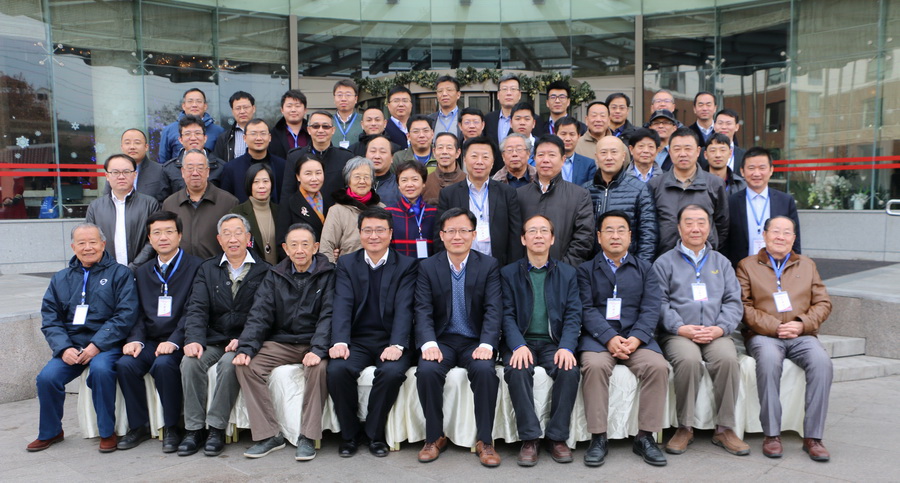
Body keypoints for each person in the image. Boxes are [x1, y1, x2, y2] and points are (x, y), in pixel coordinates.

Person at [28, 223, 138, 453]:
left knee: (101, 371)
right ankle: (51, 432)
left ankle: (107, 432)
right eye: (82, 243)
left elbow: (125, 314)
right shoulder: (61, 278)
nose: (88, 248)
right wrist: (63, 348)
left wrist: (97, 344)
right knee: (47, 378)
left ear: (103, 244)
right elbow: (51, 318)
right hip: (72, 344)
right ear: (73, 247)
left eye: (93, 242)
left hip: (106, 344)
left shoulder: (120, 273)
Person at [233, 223, 335, 461]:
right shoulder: (275, 274)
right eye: (294, 245)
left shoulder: (329, 274)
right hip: (283, 342)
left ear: (315, 247)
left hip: (314, 342)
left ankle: (308, 436)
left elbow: (329, 315)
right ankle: (270, 434)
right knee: (246, 365)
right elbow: (260, 313)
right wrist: (246, 347)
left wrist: (319, 349)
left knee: (318, 369)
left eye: (305, 244)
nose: (299, 250)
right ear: (285, 249)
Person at [653, 205, 748, 456]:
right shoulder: (664, 262)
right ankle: (684, 427)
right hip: (679, 333)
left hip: (715, 331)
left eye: (701, 222)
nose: (695, 228)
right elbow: (659, 302)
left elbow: (733, 301)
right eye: (689, 223)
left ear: (709, 227)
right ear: (679, 228)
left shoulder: (721, 262)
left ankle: (724, 428)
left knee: (728, 359)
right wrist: (680, 327)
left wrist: (720, 328)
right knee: (689, 360)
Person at [736, 216, 833, 462]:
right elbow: (743, 306)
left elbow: (823, 303)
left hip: (801, 334)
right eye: (776, 231)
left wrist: (801, 324)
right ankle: (772, 434)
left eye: (787, 232)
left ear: (794, 238)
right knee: (769, 360)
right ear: (765, 235)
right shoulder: (747, 266)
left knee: (822, 363)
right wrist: (776, 327)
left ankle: (813, 437)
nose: (781, 237)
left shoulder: (807, 265)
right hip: (763, 335)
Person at [577, 211, 669, 467]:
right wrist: (609, 338)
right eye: (609, 230)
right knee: (594, 366)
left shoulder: (645, 269)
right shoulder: (585, 270)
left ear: (630, 236)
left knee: (658, 366)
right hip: (598, 339)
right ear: (599, 237)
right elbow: (585, 308)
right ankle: (598, 437)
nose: (615, 236)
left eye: (621, 230)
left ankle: (645, 437)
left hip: (636, 338)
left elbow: (651, 308)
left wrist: (637, 338)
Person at [414, 208, 502, 467]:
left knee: (485, 371)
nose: (457, 236)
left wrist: (487, 343)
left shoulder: (488, 265)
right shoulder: (428, 267)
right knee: (427, 370)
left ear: (473, 235)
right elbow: (422, 309)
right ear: (441, 235)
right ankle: (434, 437)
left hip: (475, 340)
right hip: (442, 339)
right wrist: (429, 343)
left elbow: (493, 309)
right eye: (451, 231)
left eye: (464, 230)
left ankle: (485, 441)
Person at [327, 207, 418, 457]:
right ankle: (349, 435)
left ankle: (374, 435)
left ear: (390, 234)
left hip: (390, 339)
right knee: (337, 370)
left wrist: (397, 344)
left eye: (380, 230)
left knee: (391, 373)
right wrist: (340, 341)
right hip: (357, 340)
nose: (374, 236)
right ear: (359, 233)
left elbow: (405, 308)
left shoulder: (407, 265)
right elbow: (342, 304)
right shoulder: (347, 263)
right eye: (367, 230)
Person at [178, 213, 271, 457]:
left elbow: (264, 314)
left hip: (243, 341)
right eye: (226, 234)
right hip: (213, 338)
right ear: (219, 240)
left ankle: (216, 428)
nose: (233, 239)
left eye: (238, 233)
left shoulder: (265, 271)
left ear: (248, 237)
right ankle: (193, 429)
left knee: (231, 365)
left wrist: (245, 341)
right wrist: (194, 340)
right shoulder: (207, 268)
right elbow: (197, 308)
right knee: (190, 362)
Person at [116, 211, 203, 453]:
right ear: (149, 238)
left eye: (169, 232)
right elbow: (136, 312)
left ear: (180, 235)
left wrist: (174, 341)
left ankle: (173, 427)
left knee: (164, 365)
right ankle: (139, 426)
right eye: (156, 233)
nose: (163, 237)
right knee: (125, 364)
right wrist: (135, 340)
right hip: (151, 340)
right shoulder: (142, 271)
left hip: (182, 340)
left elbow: (194, 311)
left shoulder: (197, 267)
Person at [501, 215, 582, 467]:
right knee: (517, 370)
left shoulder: (567, 273)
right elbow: (506, 315)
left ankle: (557, 437)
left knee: (569, 370)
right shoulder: (508, 273)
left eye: (544, 231)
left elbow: (573, 315)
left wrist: (566, 346)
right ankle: (530, 438)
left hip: (552, 343)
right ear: (523, 239)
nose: (538, 235)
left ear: (552, 238)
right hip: (521, 342)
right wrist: (518, 345)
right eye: (532, 231)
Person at [438, 136, 523, 266]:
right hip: (460, 266)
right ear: (465, 160)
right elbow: (440, 236)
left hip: (498, 265)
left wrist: (511, 269)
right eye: (474, 156)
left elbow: (515, 235)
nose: (479, 162)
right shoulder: (449, 194)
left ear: (493, 162)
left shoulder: (507, 193)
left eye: (485, 157)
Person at [647, 128, 729, 257]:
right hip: (666, 258)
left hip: (704, 258)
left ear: (698, 151)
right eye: (677, 149)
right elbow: (649, 225)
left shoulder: (715, 183)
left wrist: (713, 245)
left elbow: (722, 224)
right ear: (670, 152)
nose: (682, 154)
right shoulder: (655, 185)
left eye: (688, 149)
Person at [517, 135, 594, 266]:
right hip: (524, 271)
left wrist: (563, 269)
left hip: (564, 271)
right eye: (541, 155)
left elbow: (584, 238)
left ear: (563, 159)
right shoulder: (519, 194)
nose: (545, 160)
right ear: (534, 159)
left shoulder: (579, 195)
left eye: (552, 155)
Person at [582, 136, 658, 261]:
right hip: (593, 266)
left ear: (623, 156)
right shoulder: (585, 190)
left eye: (614, 152)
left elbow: (648, 235)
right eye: (603, 153)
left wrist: (640, 267)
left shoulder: (639, 189)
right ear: (596, 157)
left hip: (629, 264)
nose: (609, 157)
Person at [725, 147, 801, 266]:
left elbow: (795, 240)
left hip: (778, 268)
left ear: (771, 170)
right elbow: (725, 242)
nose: (756, 173)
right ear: (742, 171)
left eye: (762, 168)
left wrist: (793, 267)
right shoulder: (731, 202)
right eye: (751, 168)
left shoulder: (785, 201)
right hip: (741, 269)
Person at [85, 154, 160, 269]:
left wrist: (134, 267)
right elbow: (91, 240)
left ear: (135, 174)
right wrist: (108, 269)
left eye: (126, 172)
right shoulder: (95, 207)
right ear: (107, 176)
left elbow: (154, 239)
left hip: (142, 271)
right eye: (115, 172)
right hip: (105, 271)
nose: (121, 176)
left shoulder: (150, 204)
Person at [162, 149, 239, 259]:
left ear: (208, 172)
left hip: (216, 267)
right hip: (181, 267)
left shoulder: (228, 202)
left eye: (200, 168)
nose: (195, 173)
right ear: (182, 172)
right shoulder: (170, 204)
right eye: (190, 168)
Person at [281, 110, 354, 208]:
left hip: (336, 214)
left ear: (333, 130)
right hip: (303, 214)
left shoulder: (346, 157)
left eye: (325, 126)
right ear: (309, 130)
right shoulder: (295, 157)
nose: (320, 130)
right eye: (315, 126)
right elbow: (287, 194)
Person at [319, 157, 384, 262]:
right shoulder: (337, 211)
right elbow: (326, 248)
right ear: (348, 180)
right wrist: (333, 268)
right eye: (357, 177)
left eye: (366, 177)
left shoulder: (382, 209)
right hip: (346, 270)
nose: (362, 181)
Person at [219, 118, 286, 203]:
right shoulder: (231, 168)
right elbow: (226, 201)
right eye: (253, 134)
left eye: (263, 133)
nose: (258, 138)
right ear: (244, 138)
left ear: (269, 137)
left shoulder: (282, 165)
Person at [161, 115, 228, 194]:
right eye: (187, 134)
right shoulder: (169, 169)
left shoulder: (221, 167)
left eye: (197, 133)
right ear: (180, 139)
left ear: (205, 138)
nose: (193, 138)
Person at [385, 160, 437, 258]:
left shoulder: (434, 213)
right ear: (398, 185)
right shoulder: (388, 213)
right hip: (399, 266)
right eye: (404, 180)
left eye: (415, 179)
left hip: (428, 266)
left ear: (423, 183)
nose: (409, 184)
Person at [158, 88, 224, 163]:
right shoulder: (169, 130)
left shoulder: (218, 131)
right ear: (183, 106)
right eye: (190, 101)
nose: (194, 105)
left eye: (199, 101)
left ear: (205, 106)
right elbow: (163, 161)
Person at [231, 163, 279, 265]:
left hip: (280, 271)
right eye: (256, 182)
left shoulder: (280, 211)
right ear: (249, 185)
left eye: (265, 181)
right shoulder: (237, 213)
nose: (261, 186)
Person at [276, 155, 328, 247]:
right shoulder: (289, 204)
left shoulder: (329, 200)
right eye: (308, 174)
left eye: (318, 173)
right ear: (298, 176)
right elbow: (282, 242)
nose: (314, 178)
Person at [120, 129, 168, 202]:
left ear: (146, 147)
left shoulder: (160, 170)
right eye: (127, 143)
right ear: (122, 147)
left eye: (137, 143)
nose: (132, 147)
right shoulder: (114, 171)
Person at [422, 132, 465, 206]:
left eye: (449, 148)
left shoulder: (467, 181)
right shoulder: (425, 183)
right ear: (434, 152)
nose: (444, 152)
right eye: (440, 148)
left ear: (458, 153)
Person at [214, 91, 256, 162]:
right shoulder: (224, 138)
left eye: (245, 107)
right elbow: (218, 163)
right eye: (238, 108)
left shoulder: (264, 134)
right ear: (232, 111)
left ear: (253, 108)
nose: (242, 111)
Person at [269, 89, 311, 159]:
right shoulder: (273, 134)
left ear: (305, 110)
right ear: (282, 110)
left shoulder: (312, 132)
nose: (293, 110)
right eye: (289, 106)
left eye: (297, 106)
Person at [556, 117, 597, 186]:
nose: (568, 139)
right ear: (555, 135)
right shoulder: (548, 162)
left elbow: (591, 189)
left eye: (572, 134)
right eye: (563, 134)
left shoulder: (588, 164)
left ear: (578, 136)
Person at [484, 73, 522, 146]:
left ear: (519, 95)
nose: (509, 93)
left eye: (513, 89)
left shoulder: (530, 120)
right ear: (498, 95)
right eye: (504, 89)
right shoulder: (488, 119)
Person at [367, 135, 400, 207]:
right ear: (365, 155)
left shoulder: (399, 185)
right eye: (373, 151)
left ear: (392, 158)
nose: (377, 156)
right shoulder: (356, 183)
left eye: (382, 152)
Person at [332, 79, 363, 149]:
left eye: (348, 95)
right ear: (334, 98)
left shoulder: (364, 120)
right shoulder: (328, 122)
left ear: (356, 99)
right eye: (339, 95)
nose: (343, 99)